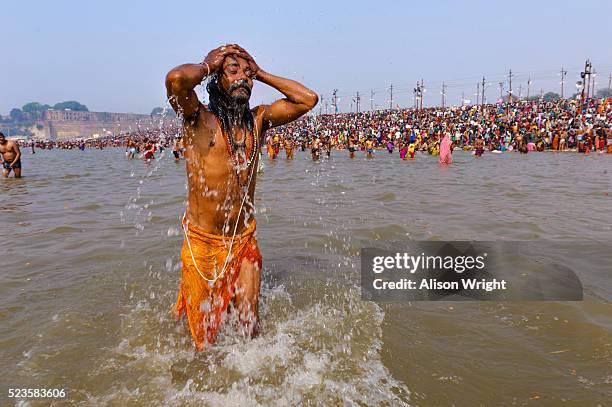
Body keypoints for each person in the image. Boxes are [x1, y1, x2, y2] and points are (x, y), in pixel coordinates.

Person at [166, 44, 317, 351]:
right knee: (202, 342)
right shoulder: (197, 118)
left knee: (250, 325)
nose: (242, 79)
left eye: (247, 74)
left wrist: (259, 72)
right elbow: (177, 79)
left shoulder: (258, 120)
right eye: (232, 71)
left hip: (243, 238)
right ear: (216, 79)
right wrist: (208, 64)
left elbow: (307, 99)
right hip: (202, 243)